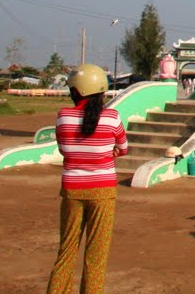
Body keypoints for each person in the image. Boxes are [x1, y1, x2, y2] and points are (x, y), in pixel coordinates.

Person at [47, 64, 128, 294]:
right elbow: (123, 148)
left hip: (72, 191)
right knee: (96, 257)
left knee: (66, 251)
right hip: (103, 192)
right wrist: (108, 152)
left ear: (77, 92)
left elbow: (65, 150)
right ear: (102, 92)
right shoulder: (112, 117)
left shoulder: (63, 116)